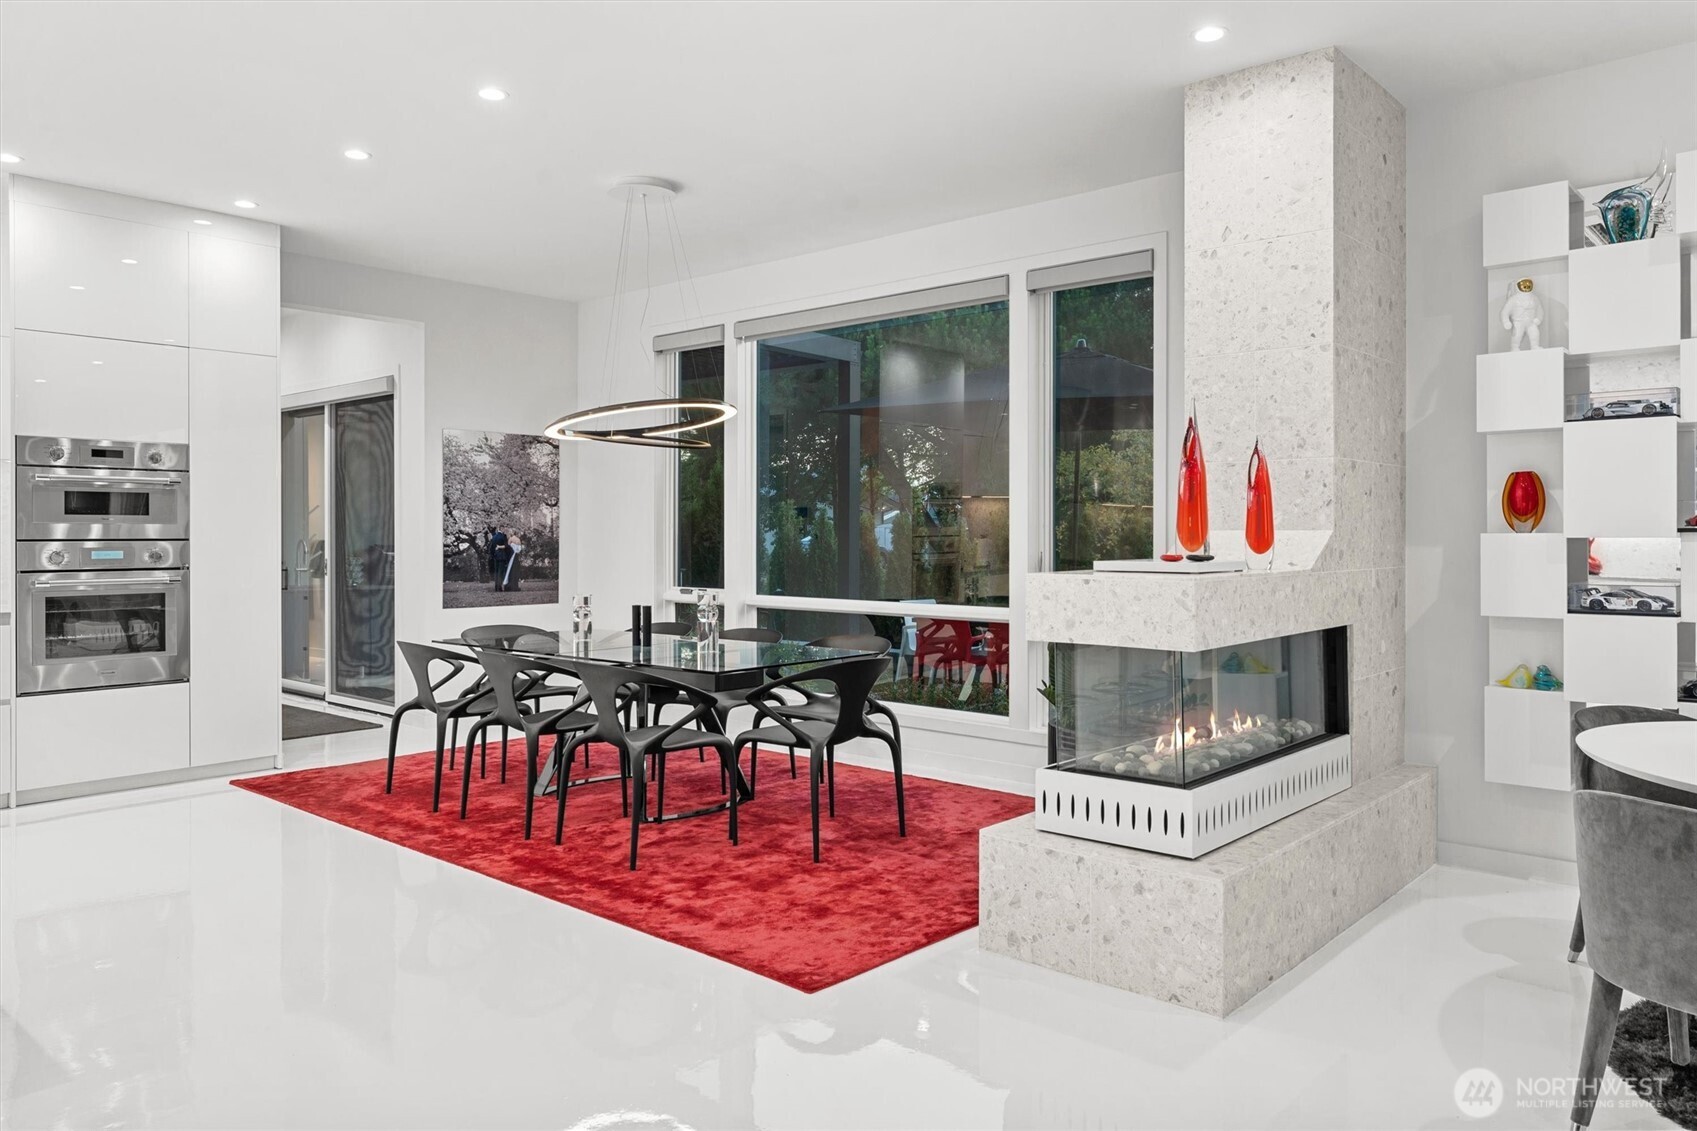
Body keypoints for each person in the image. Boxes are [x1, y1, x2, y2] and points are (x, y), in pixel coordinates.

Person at [488, 527, 510, 592]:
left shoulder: (494, 537)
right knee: (501, 572)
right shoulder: (503, 536)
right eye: (504, 529)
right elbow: (506, 546)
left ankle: (496, 587)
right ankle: (499, 587)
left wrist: (492, 555)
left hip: (496, 556)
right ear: (502, 529)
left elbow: (491, 548)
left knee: (496, 572)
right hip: (502, 556)